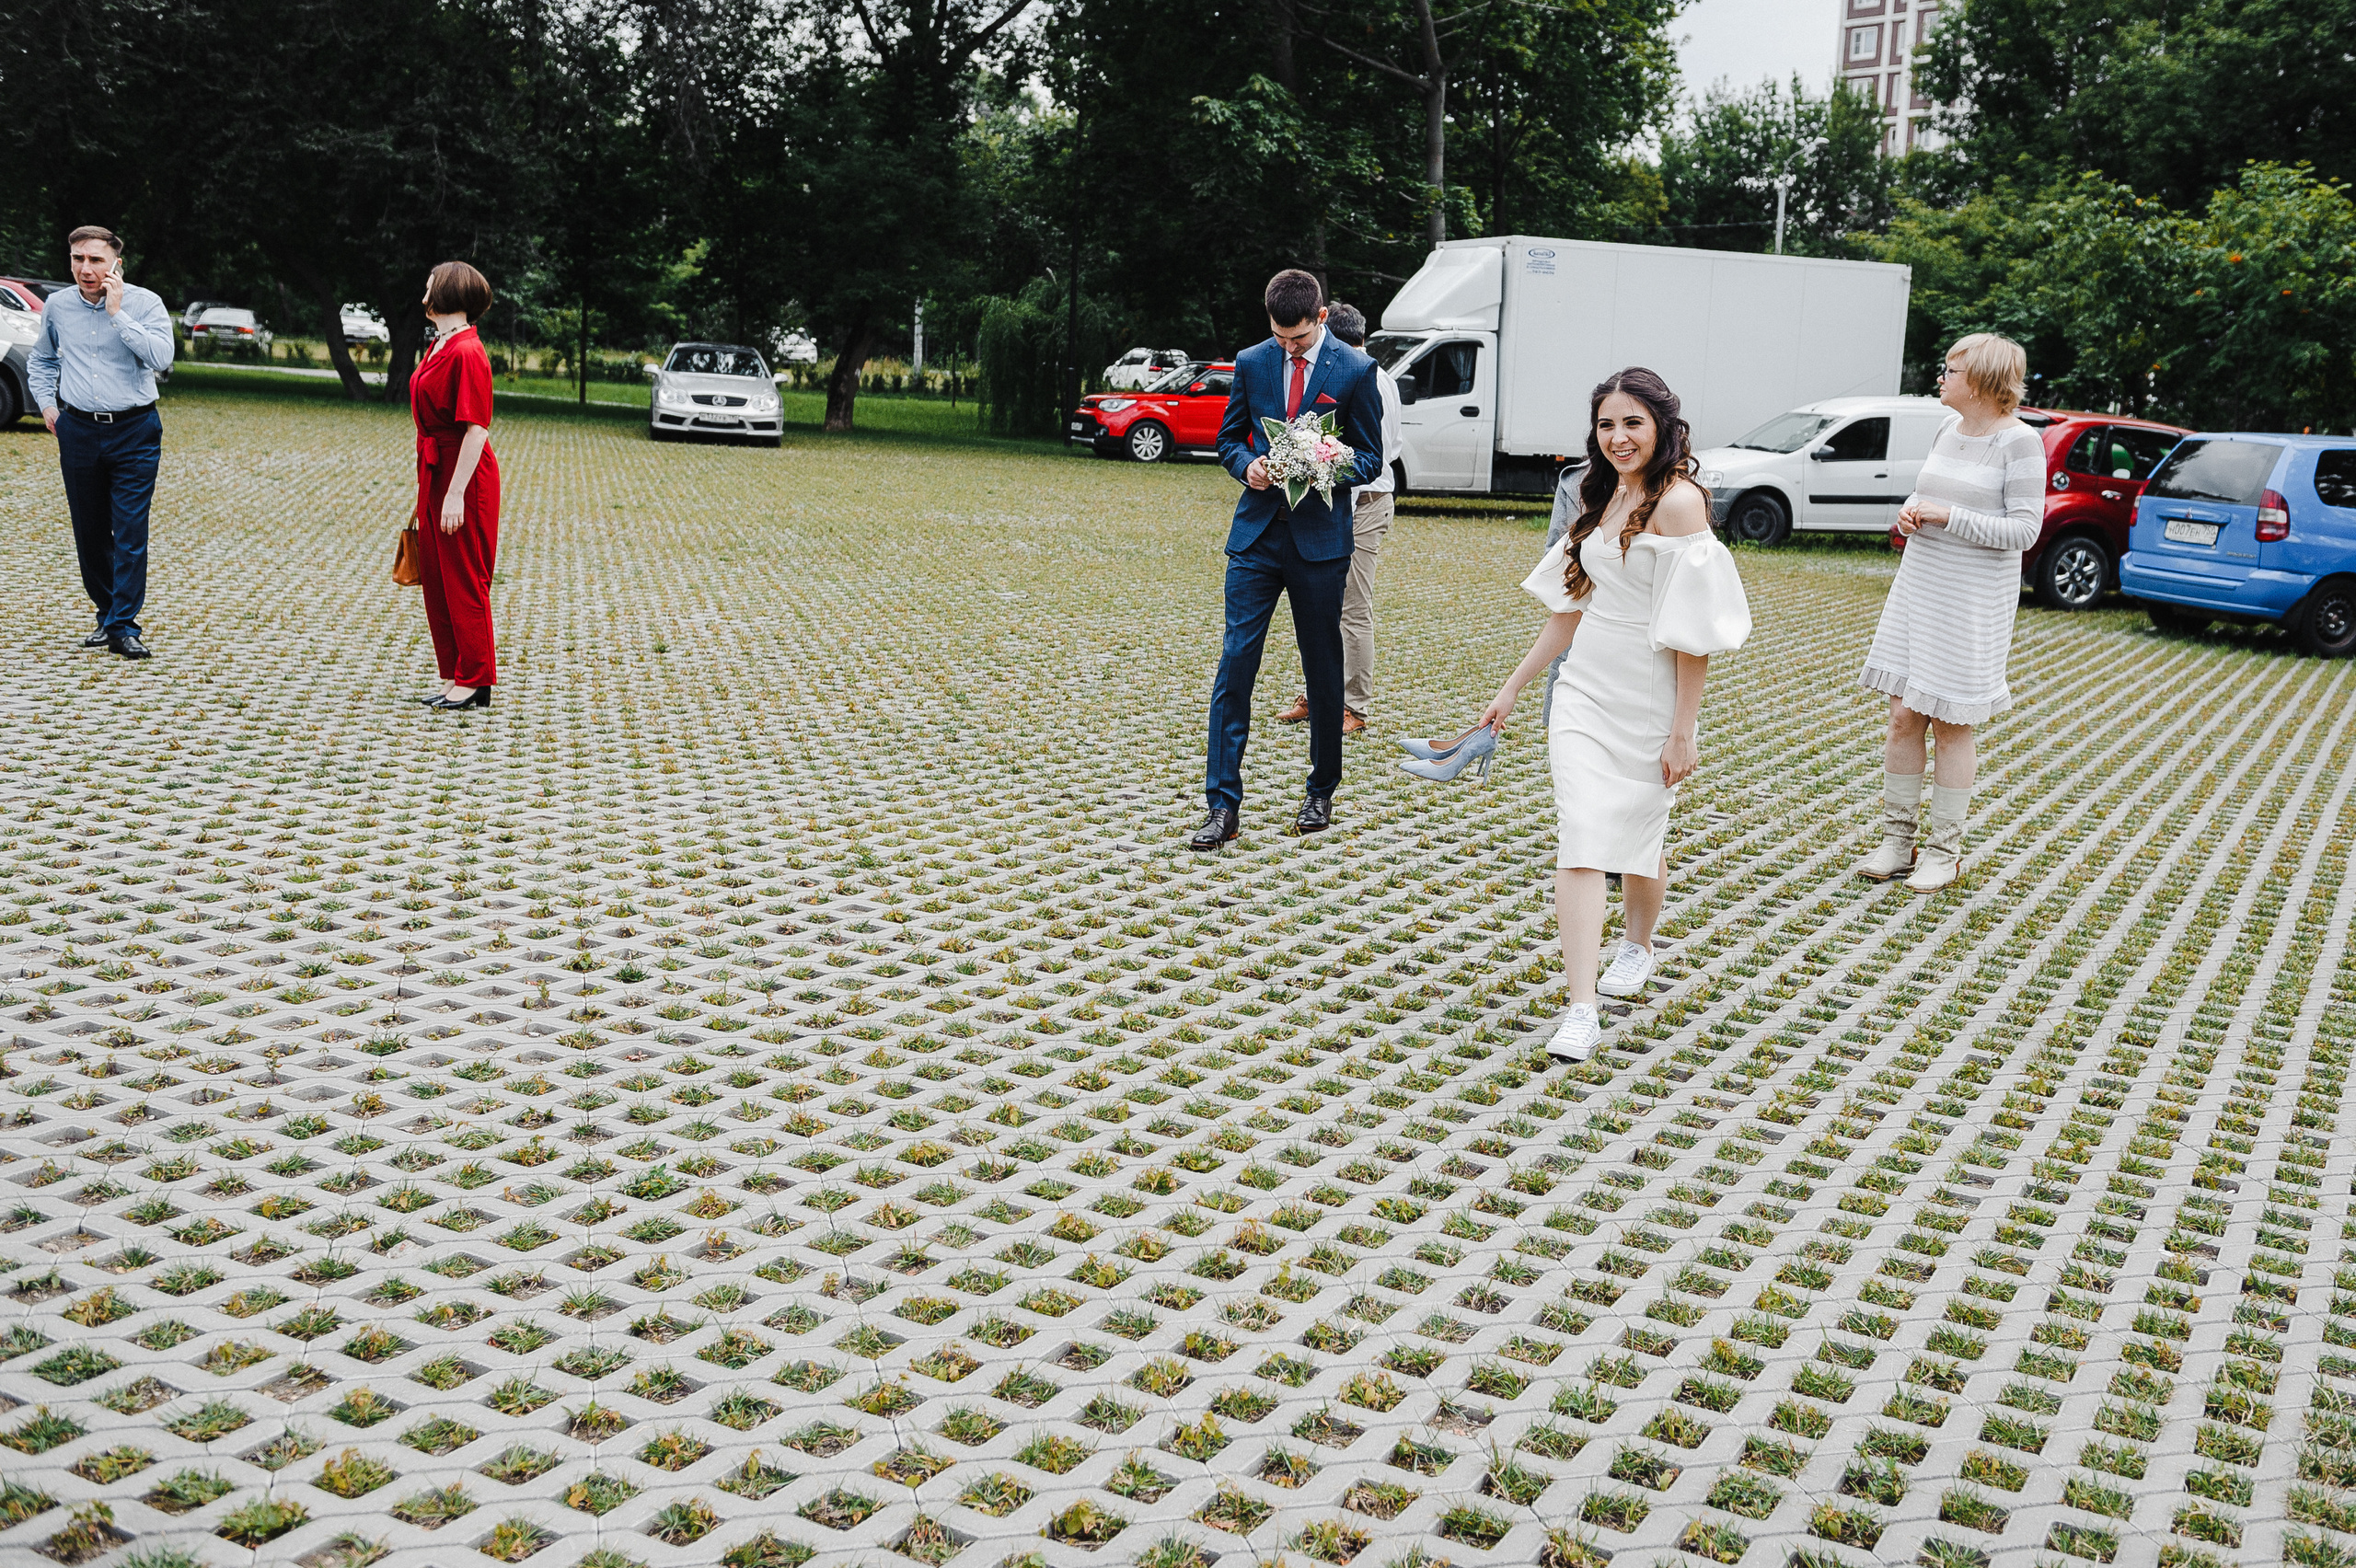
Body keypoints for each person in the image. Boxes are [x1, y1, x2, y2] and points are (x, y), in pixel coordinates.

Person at [1475, 369, 1750, 1061]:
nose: (1618, 437)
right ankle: (1581, 1007)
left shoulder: (1680, 505)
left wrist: (1684, 729)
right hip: (1584, 693)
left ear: (1661, 426)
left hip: (1651, 698)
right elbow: (1569, 611)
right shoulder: (1598, 494)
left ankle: (1638, 943)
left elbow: (1693, 635)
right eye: (1606, 424)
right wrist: (1512, 688)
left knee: (1640, 835)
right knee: (1583, 836)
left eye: (1632, 423)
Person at [1190, 270, 1385, 851]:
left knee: (1323, 667)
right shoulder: (1251, 363)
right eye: (1279, 337)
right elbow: (1229, 439)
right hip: (1255, 540)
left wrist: (1322, 464)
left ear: (1320, 318)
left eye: (1297, 338)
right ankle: (1221, 805)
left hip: (1320, 543)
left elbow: (1370, 458)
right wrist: (1245, 464)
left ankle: (1321, 790)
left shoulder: (1355, 371)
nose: (1287, 347)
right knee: (1235, 664)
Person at [1855, 333, 2040, 892]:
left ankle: (1945, 850)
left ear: (1982, 380)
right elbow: (1927, 500)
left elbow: (2025, 530)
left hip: (1972, 603)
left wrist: (1948, 515)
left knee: (1952, 723)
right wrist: (1911, 515)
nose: (1941, 377)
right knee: (1903, 716)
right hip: (1920, 588)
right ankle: (1897, 841)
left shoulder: (2021, 443)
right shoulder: (1945, 429)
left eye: (1951, 369)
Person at [27, 225, 176, 660]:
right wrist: (47, 406)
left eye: (95, 260)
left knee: (129, 530)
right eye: (78, 259)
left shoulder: (144, 303)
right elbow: (43, 359)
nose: (85, 268)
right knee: (90, 532)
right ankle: (108, 615)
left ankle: (124, 626)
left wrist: (117, 314)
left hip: (135, 430)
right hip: (78, 430)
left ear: (116, 264)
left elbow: (161, 358)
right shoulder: (57, 305)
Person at [1275, 299, 1402, 736]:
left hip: (1364, 504)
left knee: (1353, 606)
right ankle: (1318, 693)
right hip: (1332, 506)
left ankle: (1354, 705)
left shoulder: (1371, 380)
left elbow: (1376, 455)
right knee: (1318, 602)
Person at [410, 260, 502, 712]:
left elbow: (476, 429)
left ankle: (476, 679)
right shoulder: (442, 343)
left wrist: (453, 493)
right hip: (437, 468)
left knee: (465, 575)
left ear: (445, 291)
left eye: (429, 284)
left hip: (462, 474)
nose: (424, 290)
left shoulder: (467, 351)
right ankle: (455, 675)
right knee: (437, 576)